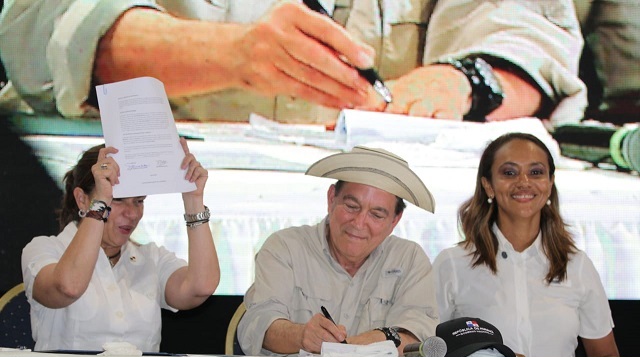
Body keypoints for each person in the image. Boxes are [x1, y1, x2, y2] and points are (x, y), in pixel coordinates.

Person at [0, 0, 585, 125]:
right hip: (141, 220)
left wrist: (462, 81)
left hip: (376, 228)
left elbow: (532, 36)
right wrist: (233, 54)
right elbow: (40, 25)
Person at [431, 132, 619, 357]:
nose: (523, 182)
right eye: (509, 173)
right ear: (488, 185)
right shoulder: (452, 264)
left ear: (549, 184)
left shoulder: (577, 266)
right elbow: (429, 355)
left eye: (536, 172)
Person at [21, 138, 220, 352]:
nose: (132, 213)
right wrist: (100, 205)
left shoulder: (152, 258)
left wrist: (194, 200)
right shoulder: (45, 250)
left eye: (139, 201)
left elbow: (201, 287)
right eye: (118, 200)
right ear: (82, 199)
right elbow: (68, 287)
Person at [237, 146, 438, 356]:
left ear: (395, 221)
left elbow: (417, 337)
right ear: (331, 198)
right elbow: (257, 326)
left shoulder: (409, 260)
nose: (359, 223)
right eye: (351, 206)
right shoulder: (285, 247)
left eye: (377, 215)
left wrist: (342, 348)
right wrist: (301, 335)